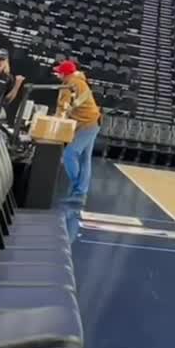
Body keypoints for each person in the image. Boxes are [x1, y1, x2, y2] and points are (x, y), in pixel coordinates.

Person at [54, 59, 102, 242]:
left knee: (70, 154)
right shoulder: (79, 82)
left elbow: (63, 108)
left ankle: (76, 189)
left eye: (59, 72)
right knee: (84, 160)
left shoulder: (70, 84)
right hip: (93, 122)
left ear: (65, 73)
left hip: (88, 125)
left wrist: (56, 119)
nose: (57, 75)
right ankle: (80, 192)